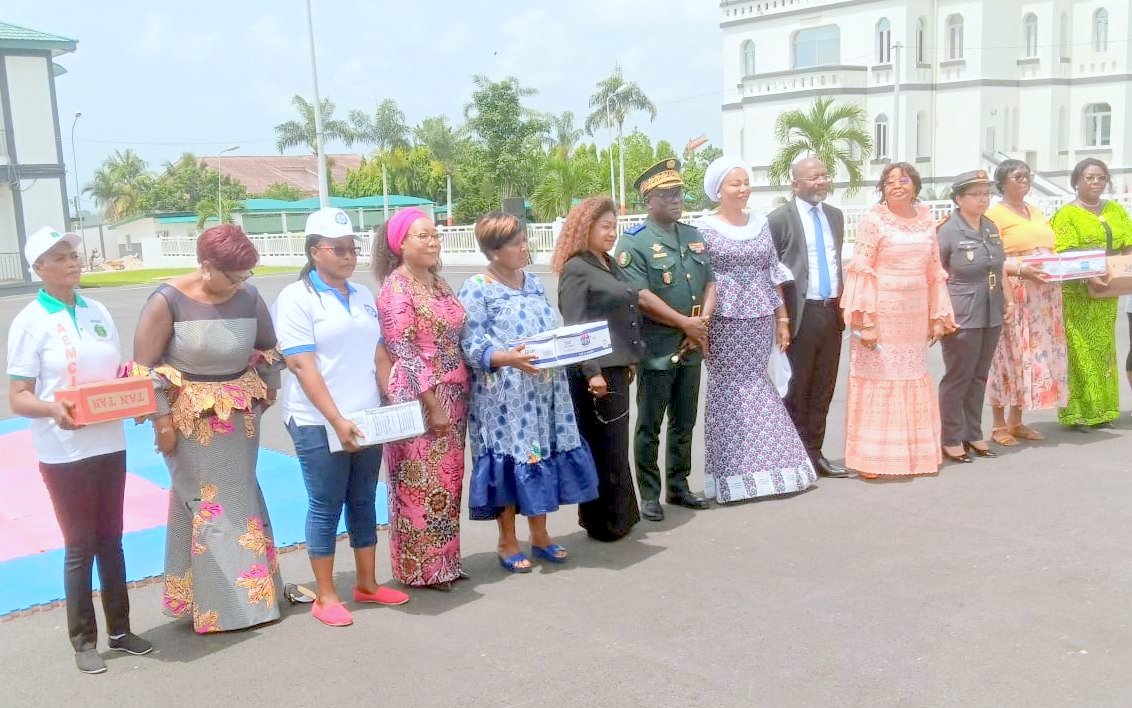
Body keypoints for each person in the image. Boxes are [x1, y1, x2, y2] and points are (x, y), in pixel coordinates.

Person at [7, 227, 152, 674]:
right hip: (64, 449)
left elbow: (113, 373)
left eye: (73, 254)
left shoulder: (97, 310)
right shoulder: (29, 321)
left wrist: (135, 393)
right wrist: (53, 409)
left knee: (112, 539)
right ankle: (83, 640)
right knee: (80, 544)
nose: (72, 262)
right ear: (39, 269)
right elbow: (18, 396)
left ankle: (121, 629)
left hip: (109, 441)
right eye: (59, 257)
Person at [133, 225, 284, 633]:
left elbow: (268, 348)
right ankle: (222, 607)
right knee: (206, 505)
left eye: (245, 277)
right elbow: (145, 371)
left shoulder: (249, 296)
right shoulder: (167, 301)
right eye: (232, 277)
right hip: (189, 423)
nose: (239, 284)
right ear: (206, 266)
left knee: (240, 499)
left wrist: (268, 389)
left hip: (239, 420)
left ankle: (253, 598)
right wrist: (162, 422)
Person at [272, 208, 409, 627]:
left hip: (366, 415)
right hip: (317, 421)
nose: (349, 256)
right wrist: (335, 420)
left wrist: (391, 401)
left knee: (364, 499)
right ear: (315, 251)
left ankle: (367, 583)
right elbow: (302, 367)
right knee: (326, 503)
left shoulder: (363, 295)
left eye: (353, 248)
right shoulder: (296, 299)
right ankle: (326, 595)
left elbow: (378, 353)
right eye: (339, 249)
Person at [458, 212, 599, 571]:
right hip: (505, 398)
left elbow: (550, 327)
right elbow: (471, 342)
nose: (525, 247)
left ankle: (540, 535)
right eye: (516, 243)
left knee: (542, 456)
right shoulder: (477, 287)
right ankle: (507, 541)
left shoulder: (533, 282)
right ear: (493, 251)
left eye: (525, 239)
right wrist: (508, 358)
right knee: (509, 464)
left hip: (544, 390)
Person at [692, 156, 816, 502]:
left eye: (746, 181)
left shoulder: (760, 224)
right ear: (718, 190)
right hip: (724, 320)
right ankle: (733, 477)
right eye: (735, 183)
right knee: (729, 389)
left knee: (759, 385)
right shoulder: (704, 229)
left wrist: (783, 319)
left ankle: (777, 470)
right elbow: (705, 280)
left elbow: (772, 272)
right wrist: (702, 326)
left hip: (760, 316)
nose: (743, 188)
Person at [614, 159, 717, 521]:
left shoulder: (693, 236)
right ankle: (649, 492)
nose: (677, 199)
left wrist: (701, 323)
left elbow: (709, 282)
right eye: (667, 194)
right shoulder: (634, 243)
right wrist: (683, 324)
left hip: (692, 345)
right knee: (650, 423)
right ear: (649, 201)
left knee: (684, 420)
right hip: (658, 346)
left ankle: (679, 484)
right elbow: (640, 296)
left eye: (679, 192)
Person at [374, 208, 469, 591]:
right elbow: (405, 351)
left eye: (434, 236)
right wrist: (432, 405)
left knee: (448, 483)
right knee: (418, 485)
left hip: (454, 394)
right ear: (400, 244)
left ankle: (446, 562)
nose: (432, 242)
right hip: (419, 398)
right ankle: (420, 569)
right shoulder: (396, 289)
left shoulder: (438, 283)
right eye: (422, 236)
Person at [841, 163, 956, 479]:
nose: (896, 186)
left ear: (915, 186)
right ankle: (871, 459)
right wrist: (866, 321)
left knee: (911, 375)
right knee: (880, 378)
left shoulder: (926, 220)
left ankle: (913, 454)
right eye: (889, 181)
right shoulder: (873, 220)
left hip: (914, 315)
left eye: (903, 180)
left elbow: (934, 270)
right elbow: (861, 268)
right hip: (882, 312)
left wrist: (937, 316)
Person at [553, 197, 646, 541]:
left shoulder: (606, 263)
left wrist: (630, 359)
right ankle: (604, 521)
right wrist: (591, 371)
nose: (612, 233)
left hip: (616, 366)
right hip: (596, 374)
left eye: (614, 227)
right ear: (585, 228)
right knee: (604, 447)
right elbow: (574, 326)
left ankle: (621, 516)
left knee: (614, 446)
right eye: (605, 227)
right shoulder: (577, 268)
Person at [767, 156, 848, 478]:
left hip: (831, 312)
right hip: (800, 315)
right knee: (796, 388)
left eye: (825, 175)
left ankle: (815, 454)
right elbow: (770, 272)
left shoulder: (836, 216)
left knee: (823, 387)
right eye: (814, 177)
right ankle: (793, 456)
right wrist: (780, 319)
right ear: (795, 183)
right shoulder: (779, 220)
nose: (821, 182)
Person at [984, 160, 1068, 445]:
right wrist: (1021, 269)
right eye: (1016, 176)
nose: (1024, 180)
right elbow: (992, 259)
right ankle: (998, 425)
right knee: (1007, 356)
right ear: (1002, 182)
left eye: (1027, 175)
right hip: (1014, 292)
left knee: (1031, 357)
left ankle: (1017, 420)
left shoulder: (1036, 210)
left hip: (1042, 298)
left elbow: (1050, 248)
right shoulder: (994, 215)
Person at [936, 171, 1015, 463]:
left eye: (986, 194)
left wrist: (1009, 301)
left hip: (991, 309)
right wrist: (939, 313)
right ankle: (951, 437)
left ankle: (973, 432)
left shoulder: (991, 228)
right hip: (961, 311)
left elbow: (1000, 268)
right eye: (976, 194)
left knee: (979, 375)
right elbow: (935, 274)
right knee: (959, 375)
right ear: (959, 198)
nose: (983, 199)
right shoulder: (947, 231)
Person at [1050, 158, 1132, 429]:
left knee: (1104, 350)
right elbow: (1063, 250)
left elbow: (1128, 244)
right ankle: (1078, 413)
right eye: (1089, 178)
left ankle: (1103, 411)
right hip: (1078, 291)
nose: (1096, 183)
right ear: (1076, 182)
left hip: (1108, 290)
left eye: (1100, 177)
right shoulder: (1067, 214)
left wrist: (1124, 269)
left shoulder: (1117, 210)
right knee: (1079, 351)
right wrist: (1089, 276)